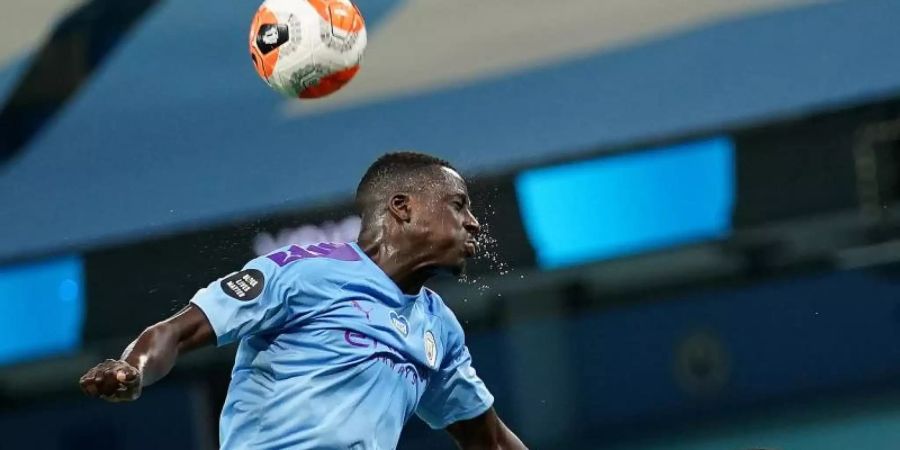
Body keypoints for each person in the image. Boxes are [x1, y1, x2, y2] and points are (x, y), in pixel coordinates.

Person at [79, 152, 527, 450]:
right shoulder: (300, 272)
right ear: (402, 207)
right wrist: (131, 369)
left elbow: (487, 440)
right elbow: (177, 332)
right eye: (458, 205)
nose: (474, 223)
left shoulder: (439, 329)